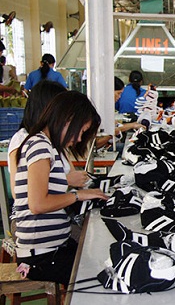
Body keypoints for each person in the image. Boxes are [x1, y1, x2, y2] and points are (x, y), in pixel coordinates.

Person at [13, 90, 108, 286]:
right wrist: (77, 196)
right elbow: (38, 204)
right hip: (42, 257)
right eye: (81, 131)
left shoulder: (47, 146)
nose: (80, 139)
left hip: (53, 249)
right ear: (68, 119)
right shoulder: (40, 146)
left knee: (103, 257)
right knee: (105, 277)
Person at [8, 80, 89, 199]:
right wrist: (67, 181)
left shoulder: (53, 139)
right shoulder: (23, 139)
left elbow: (70, 170)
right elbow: (19, 194)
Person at [96, 76, 146, 150]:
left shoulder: (104, 107)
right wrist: (132, 125)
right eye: (118, 93)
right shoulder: (97, 109)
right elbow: (96, 143)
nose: (119, 97)